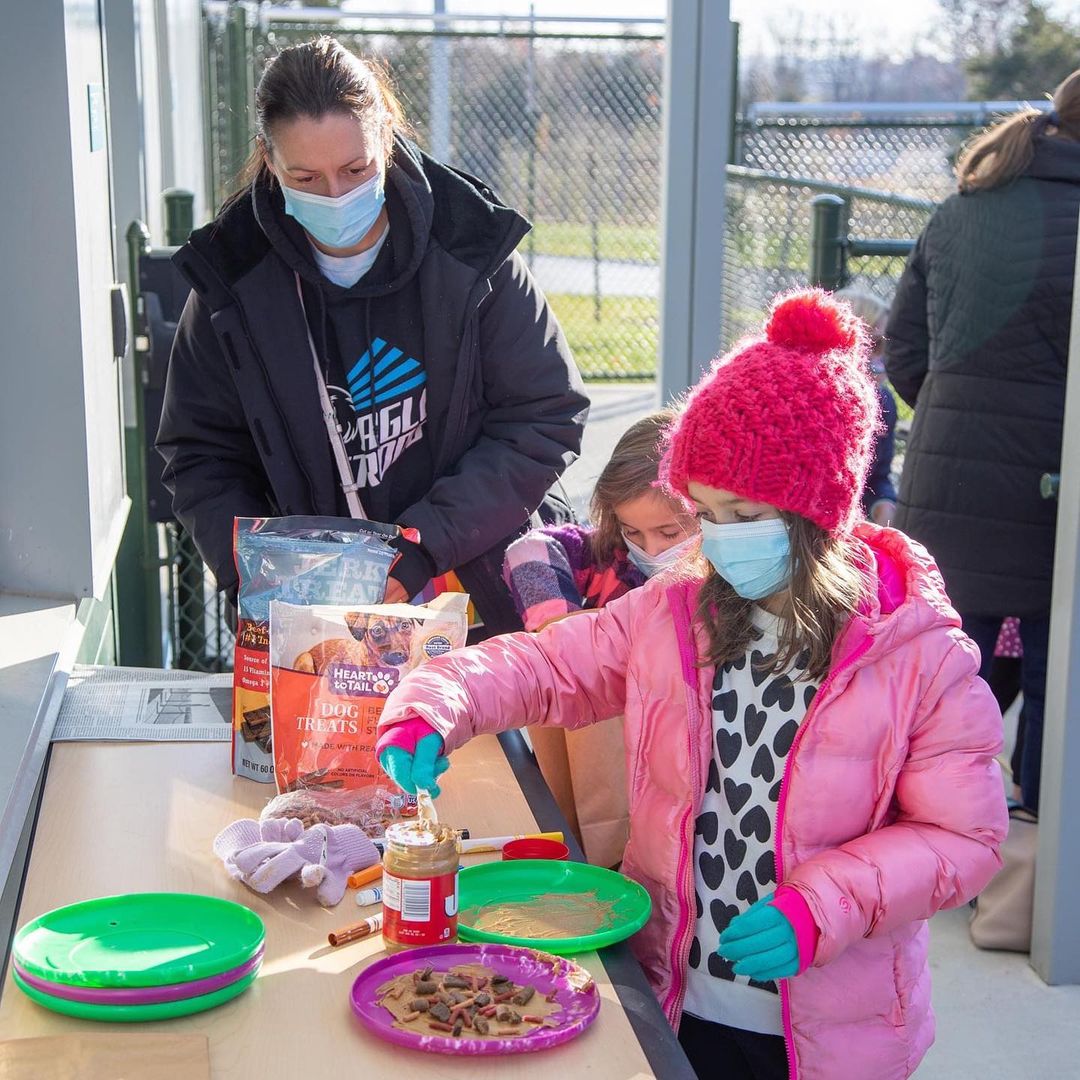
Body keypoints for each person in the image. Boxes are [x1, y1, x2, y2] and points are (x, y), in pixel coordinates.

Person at [374, 290, 1007, 1080]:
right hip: (676, 994)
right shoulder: (677, 609)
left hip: (828, 1026)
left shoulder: (920, 655)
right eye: (706, 512)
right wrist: (434, 705)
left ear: (821, 515)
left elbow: (965, 839)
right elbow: (548, 664)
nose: (720, 539)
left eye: (745, 513)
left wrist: (827, 905)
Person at [157, 38, 589, 635]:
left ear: (384, 135)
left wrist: (422, 546)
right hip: (312, 613)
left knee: (471, 730)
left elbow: (545, 415)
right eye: (304, 176)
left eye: (355, 170)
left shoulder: (473, 251)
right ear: (268, 158)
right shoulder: (229, 285)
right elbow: (202, 453)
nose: (335, 195)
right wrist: (264, 574)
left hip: (477, 586)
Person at [884, 69, 1080, 814]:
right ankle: (1036, 846)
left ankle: (933, 827)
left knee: (944, 668)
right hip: (1053, 486)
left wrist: (954, 418)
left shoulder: (964, 206)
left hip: (945, 476)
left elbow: (904, 352)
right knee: (1053, 676)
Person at [502, 409, 698, 866]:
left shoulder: (726, 584)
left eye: (671, 532)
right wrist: (562, 628)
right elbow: (529, 549)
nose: (651, 550)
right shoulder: (609, 562)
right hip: (604, 799)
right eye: (633, 532)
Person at [835, 288, 898, 526]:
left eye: (886, 347)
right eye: (875, 345)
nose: (880, 358)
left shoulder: (883, 403)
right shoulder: (808, 404)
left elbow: (876, 478)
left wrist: (884, 503)